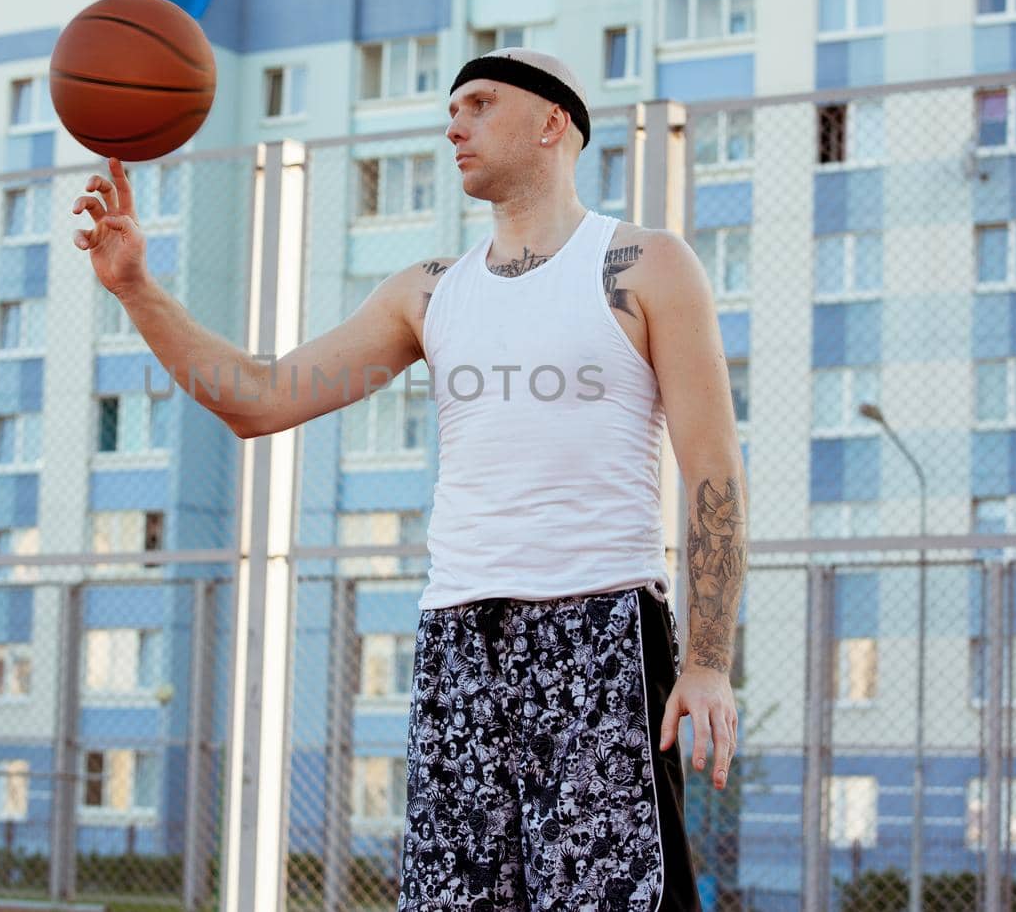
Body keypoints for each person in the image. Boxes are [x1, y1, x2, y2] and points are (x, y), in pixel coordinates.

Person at [71, 48, 745, 911]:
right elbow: (259, 398)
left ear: (553, 123)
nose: (454, 123)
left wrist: (710, 660)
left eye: (479, 102)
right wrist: (135, 288)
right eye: (451, 109)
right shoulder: (428, 294)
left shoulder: (645, 264)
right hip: (458, 639)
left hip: (602, 628)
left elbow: (714, 470)